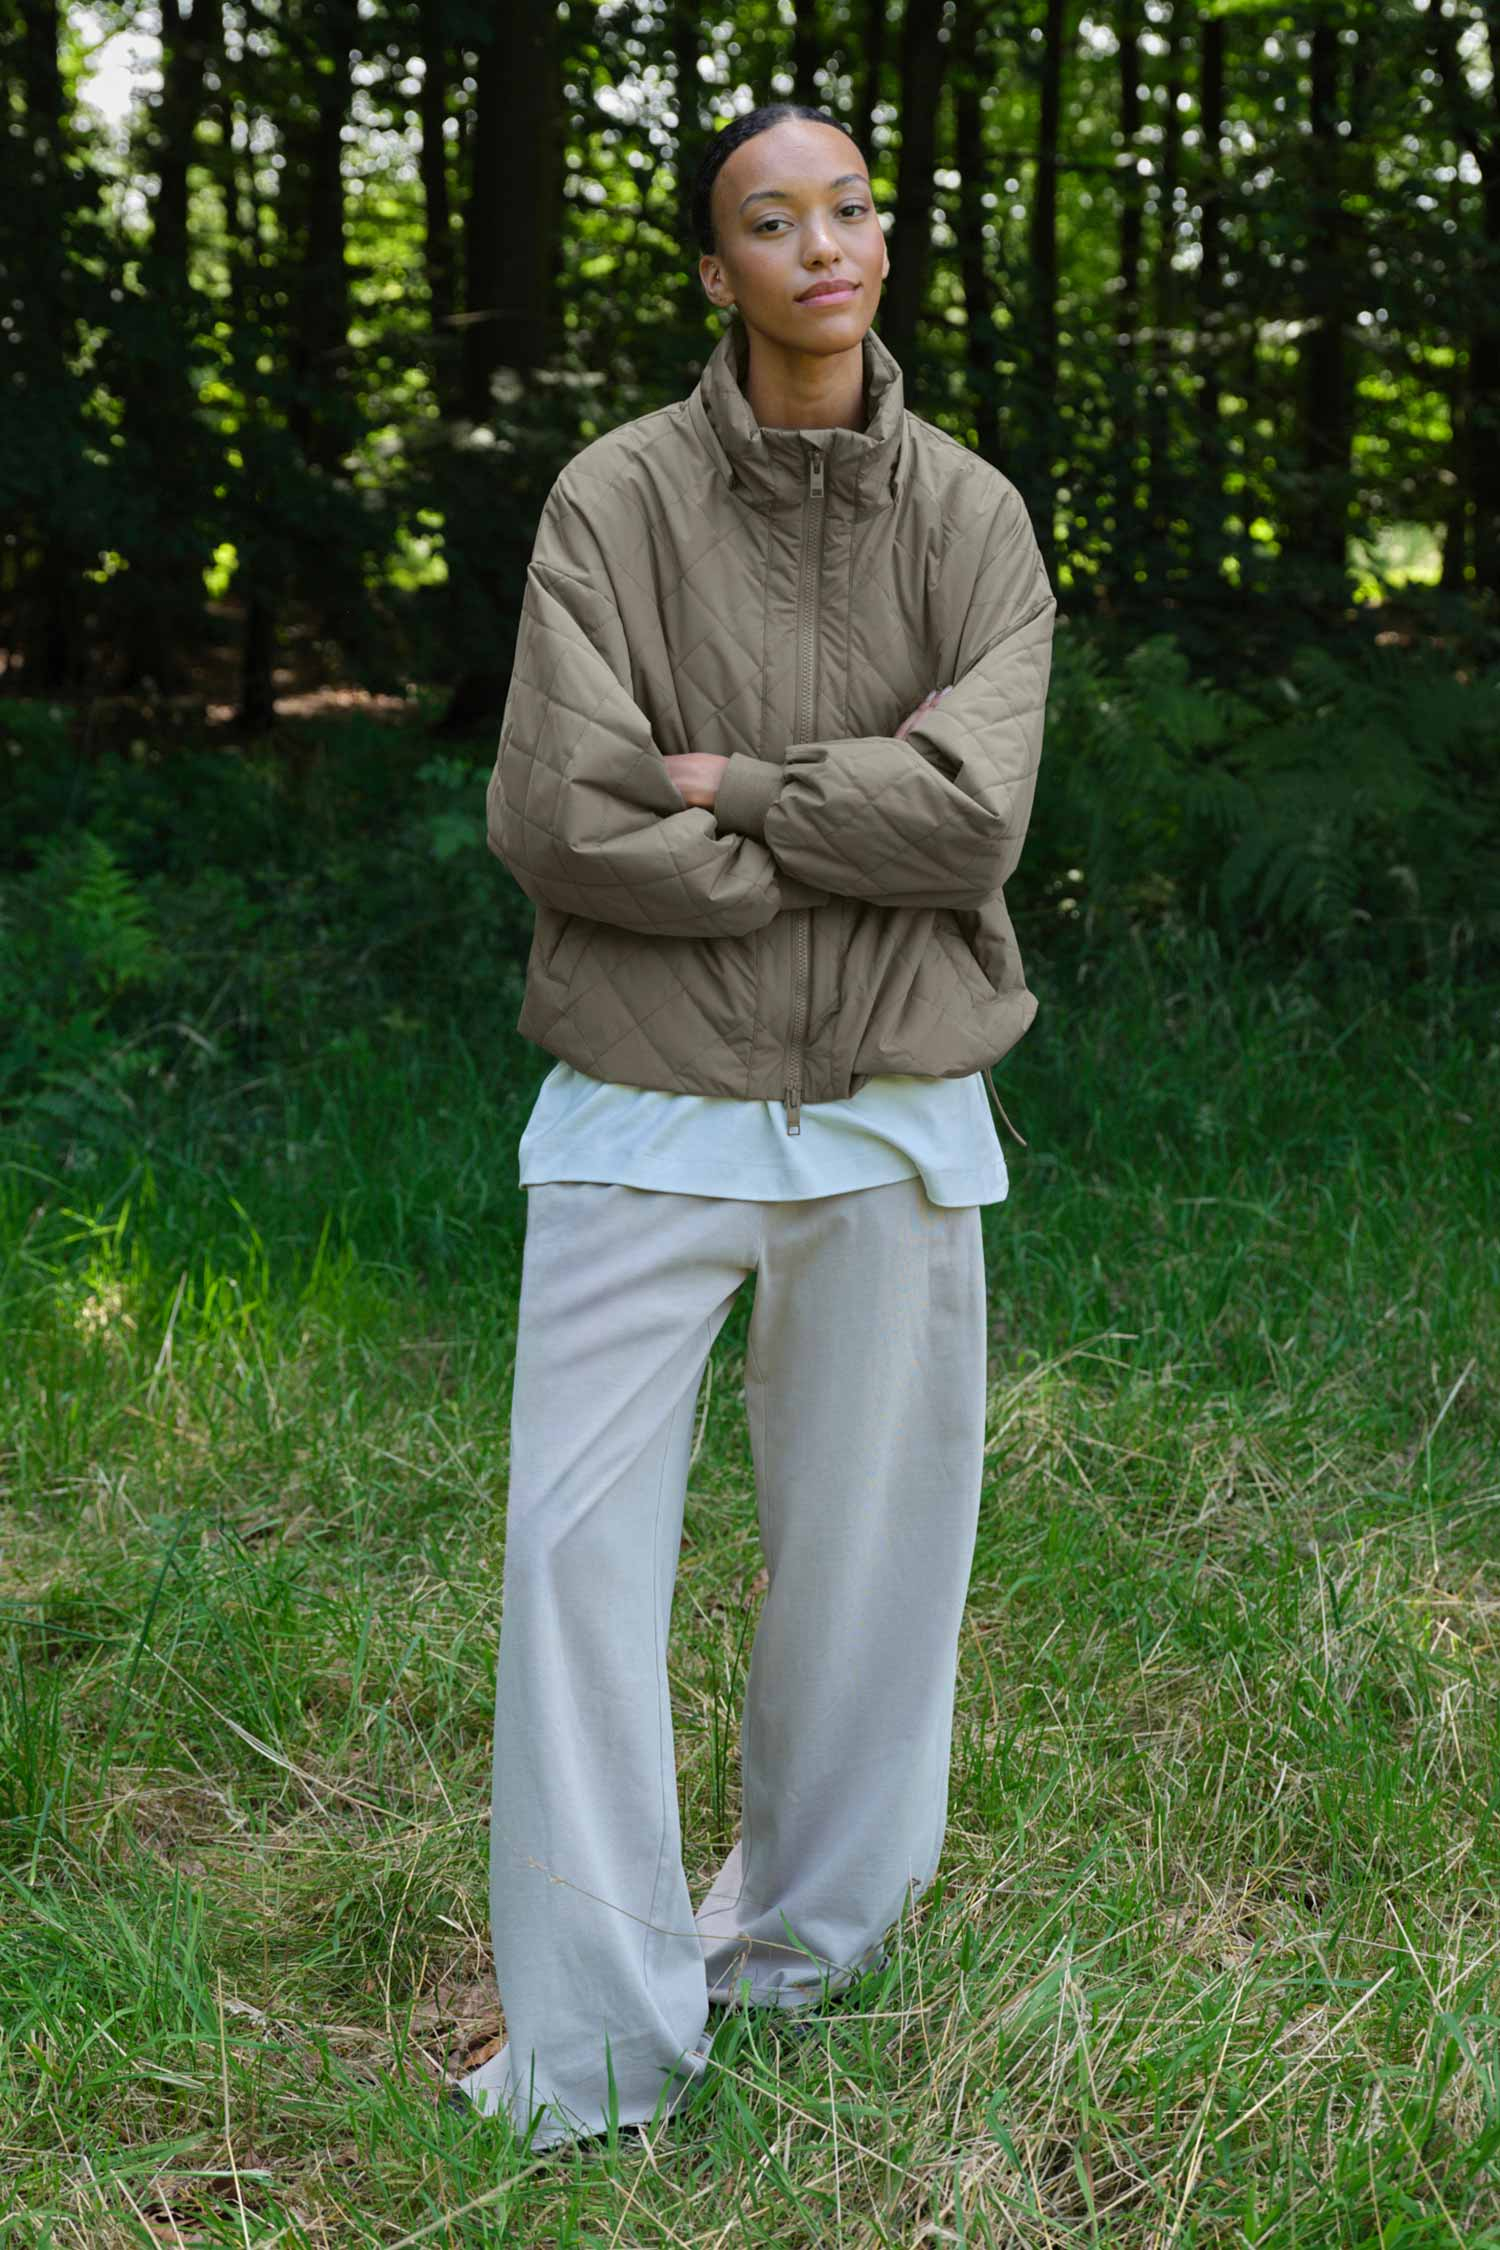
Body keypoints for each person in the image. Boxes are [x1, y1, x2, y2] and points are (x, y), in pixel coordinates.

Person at [449, 100, 1057, 2153]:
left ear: (884, 239)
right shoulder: (613, 501)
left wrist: (724, 784)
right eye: (773, 220)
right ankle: (598, 2049)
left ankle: (804, 1962)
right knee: (572, 1564)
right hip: (640, 1110)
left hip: (896, 1117)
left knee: (876, 1576)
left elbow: (974, 818)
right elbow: (564, 809)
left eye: (851, 207)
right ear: (718, 271)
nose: (824, 245)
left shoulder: (974, 518)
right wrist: (829, 817)